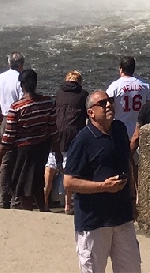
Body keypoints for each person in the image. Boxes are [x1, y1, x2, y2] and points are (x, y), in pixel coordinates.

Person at [63, 89, 141, 273]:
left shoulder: (120, 130)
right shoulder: (82, 140)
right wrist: (103, 187)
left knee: (132, 268)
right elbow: (69, 182)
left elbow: (127, 165)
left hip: (122, 217)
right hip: (94, 222)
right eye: (103, 103)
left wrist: (132, 199)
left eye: (110, 101)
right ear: (91, 113)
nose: (109, 105)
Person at [0, 68, 55, 211]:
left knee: (24, 189)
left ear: (22, 86)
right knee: (37, 184)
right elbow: (53, 129)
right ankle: (44, 211)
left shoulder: (16, 107)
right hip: (42, 149)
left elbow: (8, 137)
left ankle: (29, 215)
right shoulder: (47, 102)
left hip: (23, 152)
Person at [48, 70, 87, 213]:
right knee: (70, 168)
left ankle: (45, 202)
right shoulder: (83, 95)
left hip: (57, 133)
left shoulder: (58, 93)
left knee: (51, 167)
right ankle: (67, 204)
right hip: (75, 134)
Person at [107, 56, 150, 153]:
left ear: (121, 69)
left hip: (120, 129)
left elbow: (106, 104)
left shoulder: (115, 86)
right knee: (137, 164)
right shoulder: (145, 85)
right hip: (139, 129)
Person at [0, 52, 25, 119]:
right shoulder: (21, 78)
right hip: (17, 120)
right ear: (21, 65)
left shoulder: (1, 77)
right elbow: (23, 103)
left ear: (9, 64)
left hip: (5, 119)